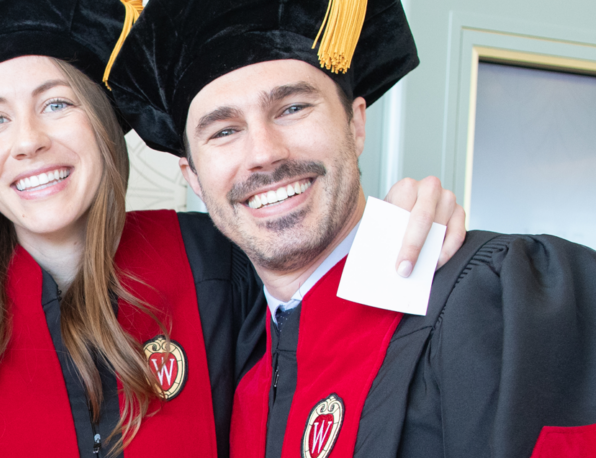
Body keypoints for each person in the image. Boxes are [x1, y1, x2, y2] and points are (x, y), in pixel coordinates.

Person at [0, 0, 466, 457]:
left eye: (58, 104)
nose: (29, 140)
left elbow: (333, 364)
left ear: (106, 125)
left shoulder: (223, 261)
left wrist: (388, 229)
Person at [109, 0, 596, 456]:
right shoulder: (240, 364)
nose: (264, 153)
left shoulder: (488, 298)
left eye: (293, 108)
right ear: (192, 175)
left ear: (356, 124)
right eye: (224, 131)